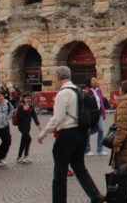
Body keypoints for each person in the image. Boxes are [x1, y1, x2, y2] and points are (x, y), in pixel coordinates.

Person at [37, 66, 104, 203]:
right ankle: (95, 196)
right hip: (81, 133)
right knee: (80, 168)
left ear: (58, 77)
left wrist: (43, 133)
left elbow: (57, 117)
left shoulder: (63, 94)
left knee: (60, 171)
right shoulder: (78, 90)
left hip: (67, 134)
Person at [84, 77, 108, 156]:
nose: (95, 81)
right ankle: (87, 149)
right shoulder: (86, 91)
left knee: (101, 129)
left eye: (95, 80)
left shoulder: (99, 90)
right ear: (90, 83)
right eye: (93, 80)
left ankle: (100, 149)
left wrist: (103, 113)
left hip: (99, 113)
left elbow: (101, 102)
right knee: (87, 131)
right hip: (90, 114)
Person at [15, 92, 41, 163]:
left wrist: (38, 124)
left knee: (23, 141)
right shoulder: (20, 106)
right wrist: (25, 109)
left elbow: (34, 115)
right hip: (21, 126)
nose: (28, 100)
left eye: (29, 98)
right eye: (27, 98)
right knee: (28, 139)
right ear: (23, 99)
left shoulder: (31, 106)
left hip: (28, 126)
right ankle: (26, 155)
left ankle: (19, 157)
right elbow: (19, 116)